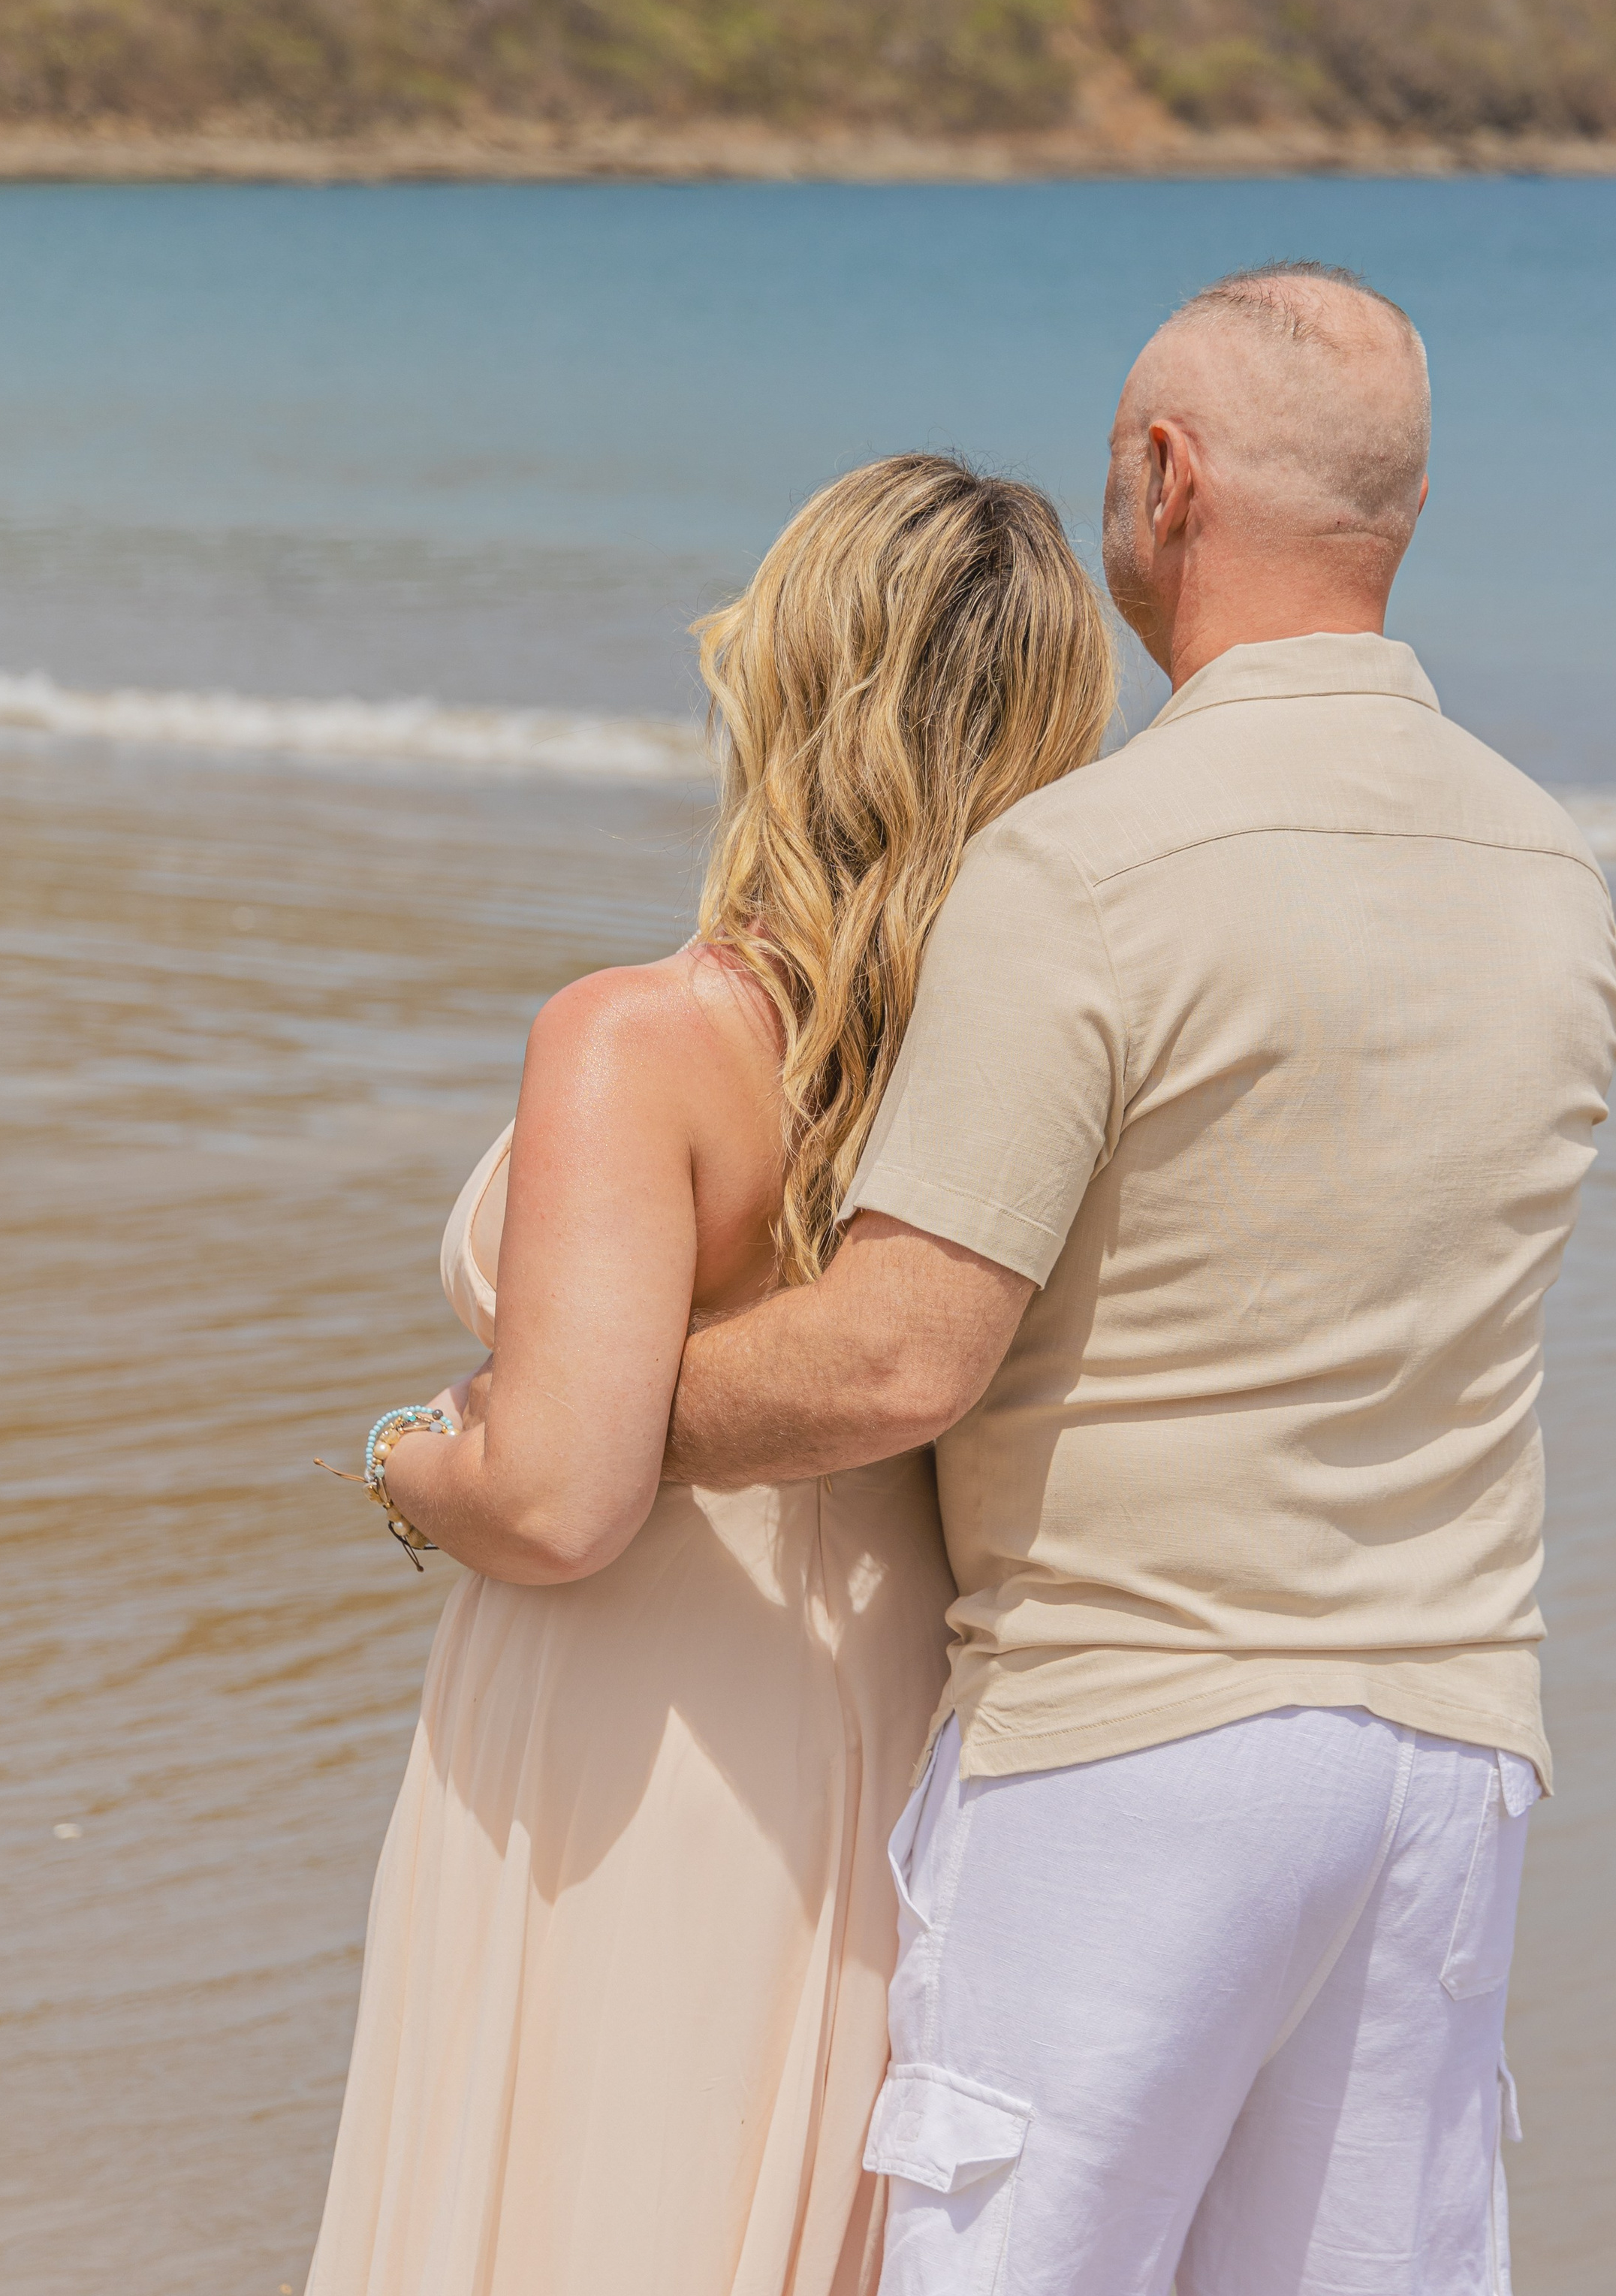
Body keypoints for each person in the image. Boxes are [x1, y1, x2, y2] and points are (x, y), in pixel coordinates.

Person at [664, 264, 1616, 2295]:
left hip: (1136, 1740)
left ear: (1166, 483)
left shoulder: (1090, 868)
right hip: (1450, 1756)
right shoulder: (1557, 875)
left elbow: (899, 1357)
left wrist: (601, 1401)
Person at [303, 455, 1117, 2296]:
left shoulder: (644, 1039)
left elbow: (559, 1499)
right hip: (893, 1713)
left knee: (578, 2195)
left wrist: (400, 1458)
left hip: (642, 1724)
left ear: (786, 681)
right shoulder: (1037, 1063)